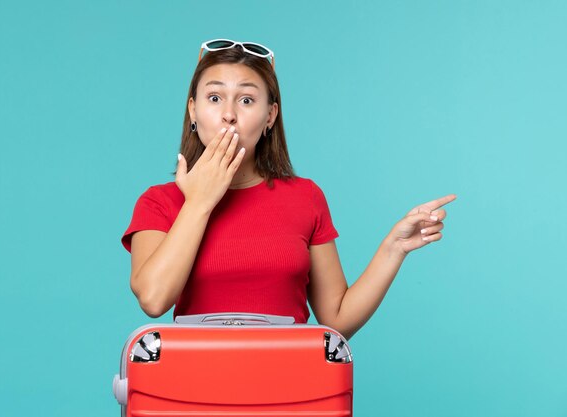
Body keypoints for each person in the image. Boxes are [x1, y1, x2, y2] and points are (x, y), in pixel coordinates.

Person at [121, 39, 456, 340]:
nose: (229, 115)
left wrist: (393, 248)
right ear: (193, 110)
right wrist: (199, 201)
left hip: (290, 388)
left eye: (247, 100)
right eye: (214, 97)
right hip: (194, 392)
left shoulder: (305, 197)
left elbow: (336, 320)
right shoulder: (159, 202)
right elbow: (153, 299)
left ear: (270, 116)